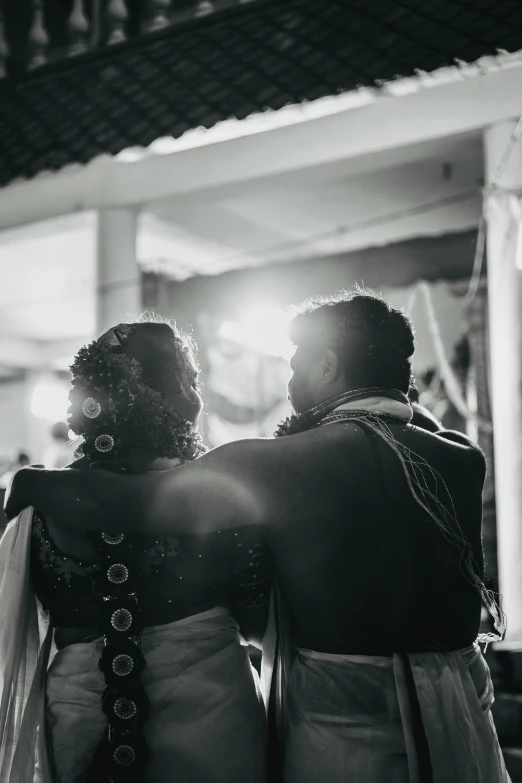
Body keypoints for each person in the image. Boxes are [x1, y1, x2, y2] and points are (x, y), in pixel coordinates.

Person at [6, 291, 510, 783]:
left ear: (329, 367)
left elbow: (134, 502)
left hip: (344, 719)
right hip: (462, 705)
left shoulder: (282, 464)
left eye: (295, 366)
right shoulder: (463, 457)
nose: (288, 383)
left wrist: (32, 482)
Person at [0, 318, 268, 782]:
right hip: (214, 720)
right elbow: (260, 624)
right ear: (179, 395)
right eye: (191, 379)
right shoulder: (221, 495)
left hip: (79, 725)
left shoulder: (39, 499)